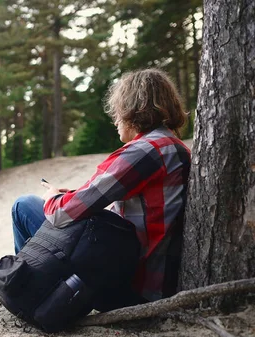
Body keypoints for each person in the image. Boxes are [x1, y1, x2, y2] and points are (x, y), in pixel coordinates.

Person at [11, 68, 191, 305]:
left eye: (118, 111)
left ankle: (23, 288)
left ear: (134, 110)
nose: (115, 119)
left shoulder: (146, 151)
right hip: (154, 283)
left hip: (128, 287)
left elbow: (62, 213)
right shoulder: (175, 148)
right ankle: (34, 285)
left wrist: (52, 198)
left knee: (23, 206)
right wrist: (74, 195)